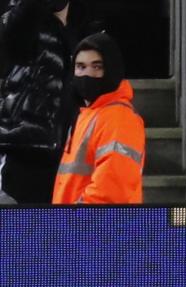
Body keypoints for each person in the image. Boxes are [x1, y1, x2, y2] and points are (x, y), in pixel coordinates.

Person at [0, 0, 90, 203]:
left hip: (64, 150)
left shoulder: (77, 27)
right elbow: (13, 35)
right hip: (26, 149)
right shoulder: (26, 22)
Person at [52, 33, 144, 204]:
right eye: (80, 67)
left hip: (97, 226)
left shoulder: (119, 118)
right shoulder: (87, 115)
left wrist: (71, 224)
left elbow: (111, 191)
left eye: (97, 67)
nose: (87, 74)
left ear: (111, 69)